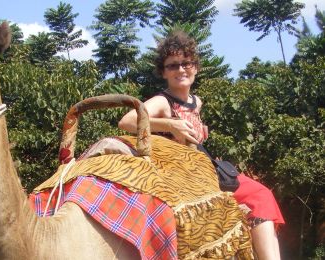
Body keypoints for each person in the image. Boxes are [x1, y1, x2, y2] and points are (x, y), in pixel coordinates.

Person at [117, 30, 285, 260]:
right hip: (182, 172)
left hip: (203, 164)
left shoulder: (197, 102)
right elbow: (126, 121)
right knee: (260, 195)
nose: (181, 69)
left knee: (261, 194)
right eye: (173, 66)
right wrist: (169, 124)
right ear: (163, 72)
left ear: (195, 68)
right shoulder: (162, 101)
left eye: (186, 63)